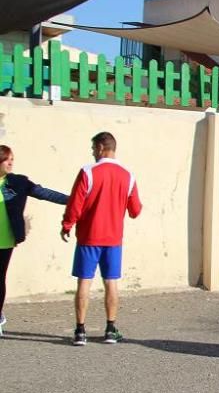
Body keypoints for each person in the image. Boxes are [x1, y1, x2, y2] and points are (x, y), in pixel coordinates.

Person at [60, 132, 142, 346]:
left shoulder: (88, 172)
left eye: (93, 148)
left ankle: (80, 331)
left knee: (84, 282)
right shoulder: (128, 174)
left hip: (89, 237)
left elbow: (75, 204)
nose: (92, 153)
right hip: (113, 238)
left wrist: (67, 224)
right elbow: (135, 210)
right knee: (111, 282)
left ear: (100, 147)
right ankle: (110, 328)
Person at [0, 145, 68, 336]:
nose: (11, 162)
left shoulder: (18, 182)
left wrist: (73, 200)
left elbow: (44, 193)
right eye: (7, 159)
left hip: (5, 239)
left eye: (12, 158)